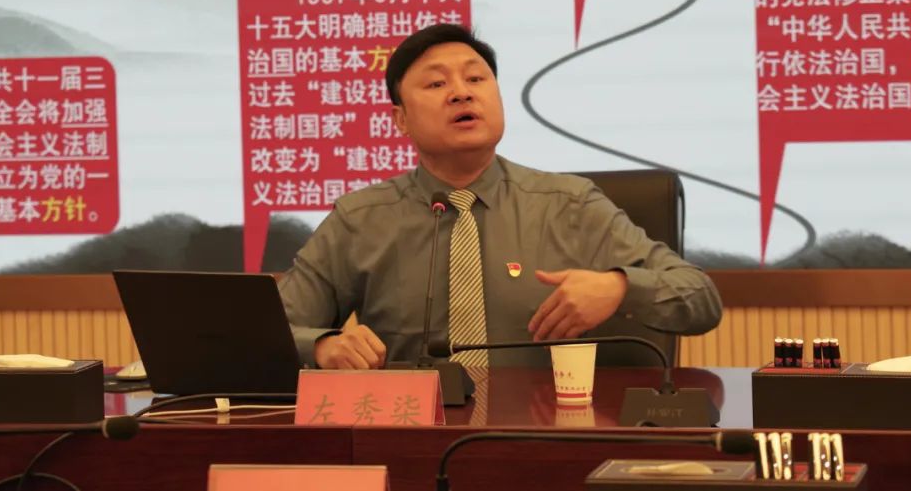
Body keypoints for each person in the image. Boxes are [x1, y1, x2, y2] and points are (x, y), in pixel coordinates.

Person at [278, 24, 722, 369]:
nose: (462, 92)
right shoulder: (361, 219)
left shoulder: (570, 205)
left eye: (476, 78)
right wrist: (323, 346)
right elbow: (273, 332)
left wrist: (620, 287)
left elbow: (700, 298)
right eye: (436, 85)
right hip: (412, 435)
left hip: (543, 432)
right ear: (401, 120)